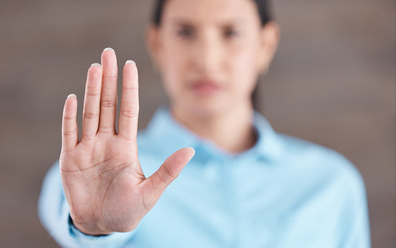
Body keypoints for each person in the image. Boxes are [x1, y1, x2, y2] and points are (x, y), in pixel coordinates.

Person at [38, 0, 370, 247]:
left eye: (231, 32)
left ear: (265, 45)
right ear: (156, 43)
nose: (207, 58)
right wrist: (94, 227)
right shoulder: (94, 174)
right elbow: (72, 212)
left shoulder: (331, 184)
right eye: (184, 31)